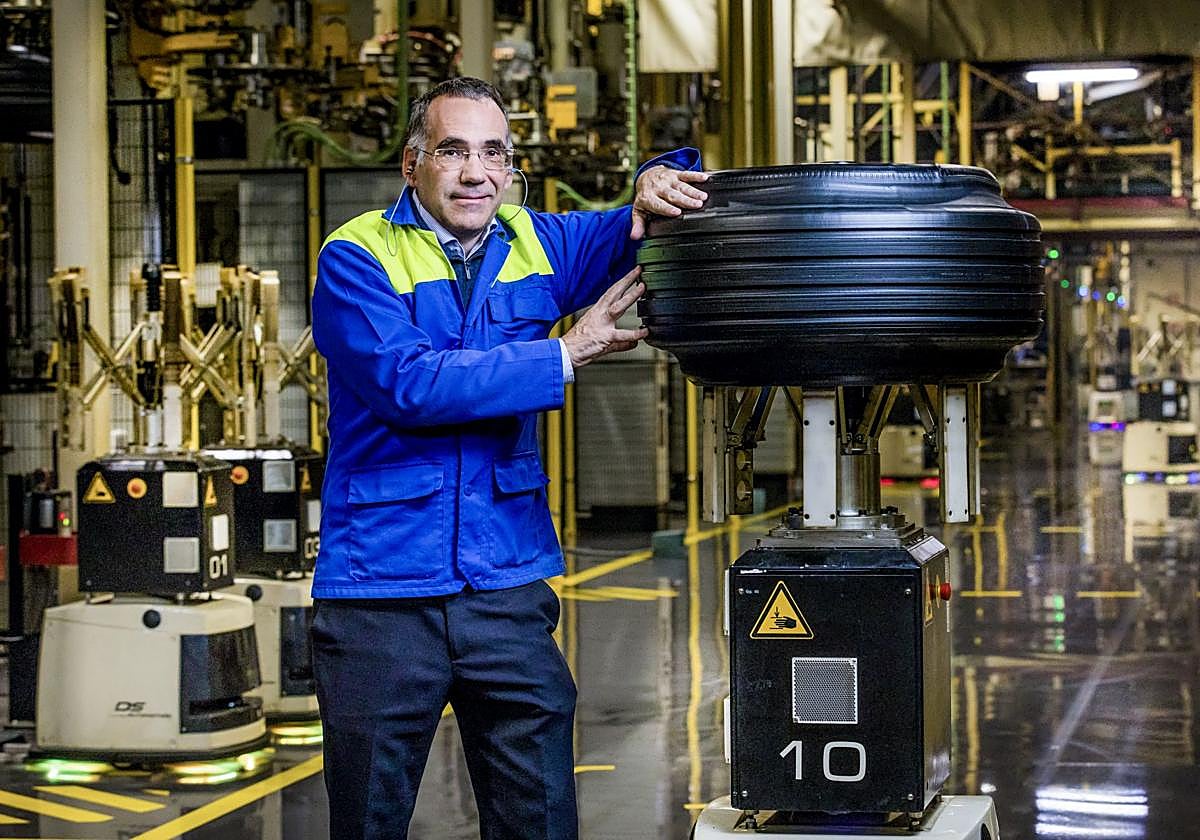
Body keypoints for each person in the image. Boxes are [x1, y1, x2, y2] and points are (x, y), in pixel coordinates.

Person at [310, 76, 707, 840]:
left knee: (539, 814)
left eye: (495, 153)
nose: (476, 172)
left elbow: (646, 214)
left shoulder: (536, 241)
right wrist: (563, 353)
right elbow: (409, 385)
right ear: (412, 163)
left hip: (505, 584)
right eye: (454, 150)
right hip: (383, 592)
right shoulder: (358, 255)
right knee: (368, 818)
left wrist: (656, 171)